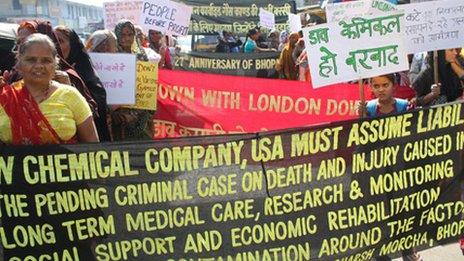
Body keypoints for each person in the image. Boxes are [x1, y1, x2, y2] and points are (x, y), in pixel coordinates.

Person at [0, 33, 99, 145]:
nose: (39, 66)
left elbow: (93, 151)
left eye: (46, 60)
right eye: (31, 60)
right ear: (19, 62)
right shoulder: (5, 97)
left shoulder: (71, 96)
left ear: (55, 64)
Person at [54, 25, 111, 142]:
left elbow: (98, 107)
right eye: (53, 41)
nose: (56, 46)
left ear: (73, 45)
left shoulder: (85, 72)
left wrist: (71, 88)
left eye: (60, 41)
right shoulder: (44, 73)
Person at [113, 20, 155, 141]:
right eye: (123, 35)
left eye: (130, 34)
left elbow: (147, 85)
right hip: (119, 116)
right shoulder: (111, 58)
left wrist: (135, 114)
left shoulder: (141, 56)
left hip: (140, 113)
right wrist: (114, 112)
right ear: (117, 36)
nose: (127, 38)